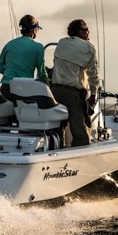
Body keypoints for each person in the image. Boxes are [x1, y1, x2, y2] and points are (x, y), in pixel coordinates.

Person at [51, 19, 100, 147]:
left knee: (58, 128)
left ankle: (56, 151)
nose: (88, 33)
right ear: (80, 32)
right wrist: (93, 95)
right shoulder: (89, 48)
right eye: (86, 30)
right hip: (73, 94)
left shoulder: (61, 43)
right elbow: (93, 76)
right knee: (81, 133)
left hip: (55, 92)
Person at [0, 14, 48, 103]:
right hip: (25, 89)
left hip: (6, 88)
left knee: (10, 115)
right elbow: (42, 73)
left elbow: (0, 67)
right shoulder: (38, 47)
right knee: (26, 114)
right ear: (34, 30)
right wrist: (48, 87)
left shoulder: (9, 44)